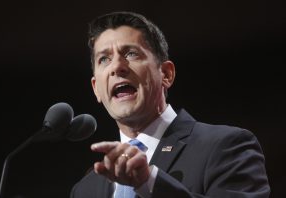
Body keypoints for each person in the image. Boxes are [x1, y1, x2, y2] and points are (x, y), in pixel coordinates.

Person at [70, 11, 270, 198]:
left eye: (131, 54)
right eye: (104, 59)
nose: (116, 67)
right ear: (96, 88)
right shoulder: (86, 189)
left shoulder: (226, 147)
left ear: (166, 74)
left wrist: (149, 183)